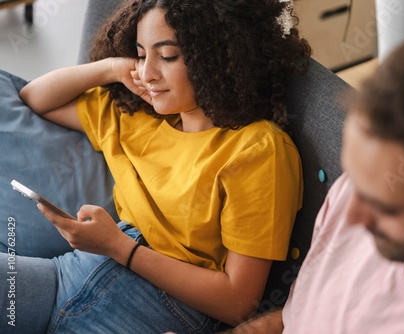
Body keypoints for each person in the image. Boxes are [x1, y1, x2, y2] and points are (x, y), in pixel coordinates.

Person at [0, 0, 311, 333]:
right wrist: (112, 68)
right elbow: (35, 97)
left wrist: (119, 246)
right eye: (141, 54)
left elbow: (238, 303)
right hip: (71, 272)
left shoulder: (258, 149)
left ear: (217, 57)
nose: (147, 74)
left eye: (167, 56)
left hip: (162, 307)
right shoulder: (136, 115)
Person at [227, 28, 404, 333]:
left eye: (386, 208)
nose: (350, 215)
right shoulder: (356, 193)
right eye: (352, 179)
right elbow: (296, 319)